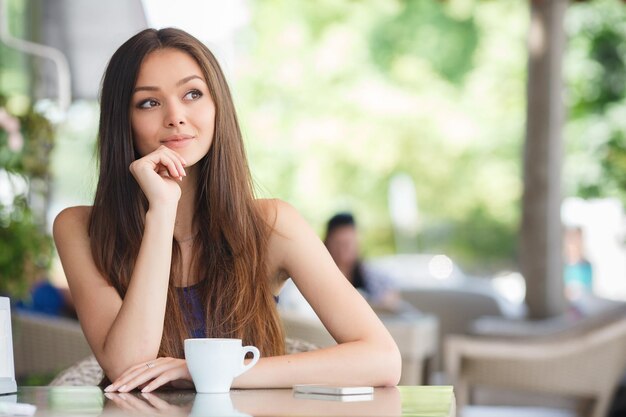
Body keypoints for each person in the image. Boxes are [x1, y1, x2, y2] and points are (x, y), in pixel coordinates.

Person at [52, 28, 400, 393]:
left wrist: (207, 371)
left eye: (193, 94)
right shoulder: (79, 227)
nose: (175, 116)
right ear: (123, 121)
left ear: (218, 106)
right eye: (149, 103)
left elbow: (382, 358)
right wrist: (162, 211)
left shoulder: (272, 225)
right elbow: (129, 366)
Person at [324, 213, 412, 314]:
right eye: (338, 243)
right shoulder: (322, 277)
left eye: (348, 243)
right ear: (327, 243)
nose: (343, 250)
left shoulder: (374, 277)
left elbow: (391, 300)